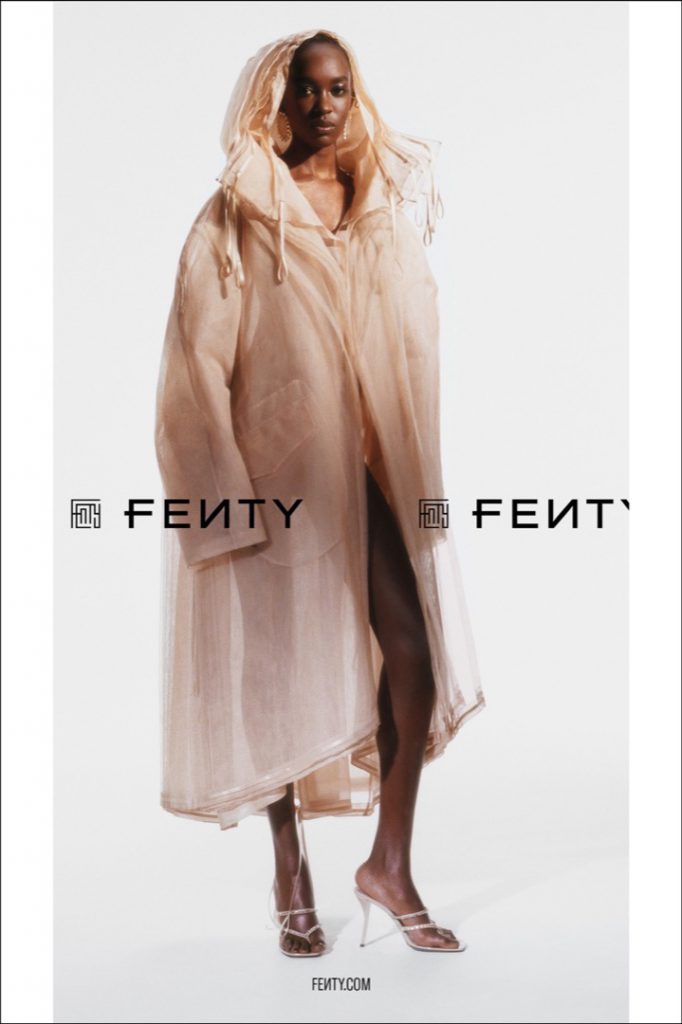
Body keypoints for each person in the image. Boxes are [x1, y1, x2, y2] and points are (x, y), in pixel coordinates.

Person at [154, 28, 486, 958]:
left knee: (411, 654)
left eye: (339, 89)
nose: (326, 106)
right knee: (274, 672)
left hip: (360, 469)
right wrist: (222, 501)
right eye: (307, 89)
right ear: (277, 98)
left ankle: (389, 865)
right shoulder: (236, 214)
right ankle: (288, 865)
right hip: (273, 479)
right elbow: (192, 366)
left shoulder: (373, 200)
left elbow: (405, 334)